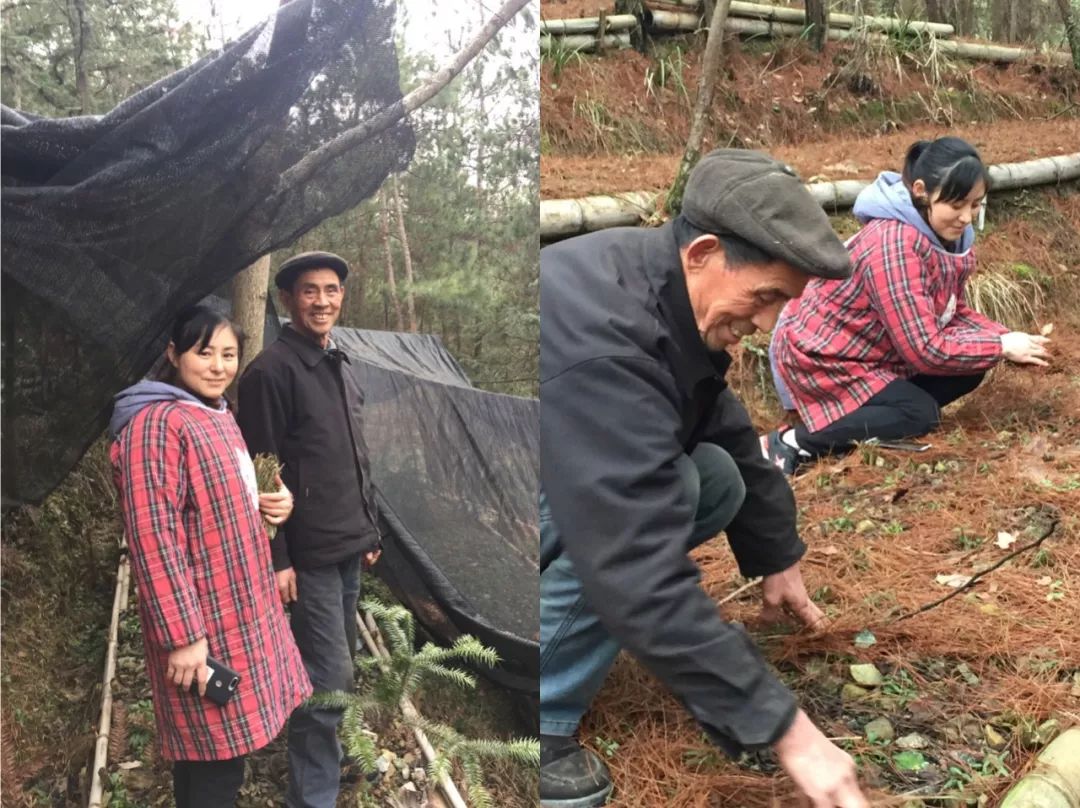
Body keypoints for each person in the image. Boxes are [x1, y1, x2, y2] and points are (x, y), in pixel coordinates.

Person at [539, 150, 868, 808]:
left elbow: (717, 419)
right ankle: (535, 702)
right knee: (664, 502)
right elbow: (633, 555)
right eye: (767, 297)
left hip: (551, 480)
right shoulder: (604, 335)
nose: (770, 324)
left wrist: (776, 554)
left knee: (714, 477)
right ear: (706, 253)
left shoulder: (663, 284)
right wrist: (790, 734)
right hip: (502, 506)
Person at [110, 305, 311, 808]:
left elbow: (228, 503)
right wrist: (183, 638)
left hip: (242, 612)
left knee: (215, 758)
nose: (219, 366)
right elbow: (154, 538)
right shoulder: (156, 425)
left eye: (229, 354)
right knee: (214, 762)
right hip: (203, 623)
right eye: (205, 352)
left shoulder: (217, 413)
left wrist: (274, 505)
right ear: (173, 354)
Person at [764, 137, 1051, 473]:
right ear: (921, 191)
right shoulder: (894, 244)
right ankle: (792, 441)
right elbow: (924, 348)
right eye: (956, 204)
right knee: (919, 414)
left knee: (970, 366)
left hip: (876, 352)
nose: (966, 218)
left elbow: (950, 313)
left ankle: (882, 418)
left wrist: (1007, 338)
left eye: (975, 205)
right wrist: (1000, 345)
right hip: (825, 357)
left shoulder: (943, 236)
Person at [236, 251, 382, 808]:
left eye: (331, 290)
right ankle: (312, 795)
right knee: (326, 678)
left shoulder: (338, 362)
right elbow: (261, 476)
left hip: (349, 544)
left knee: (338, 663)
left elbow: (354, 458)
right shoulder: (271, 373)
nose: (322, 301)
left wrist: (371, 532)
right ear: (288, 300)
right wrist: (278, 560)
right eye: (309, 291)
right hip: (310, 557)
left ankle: (331, 755)